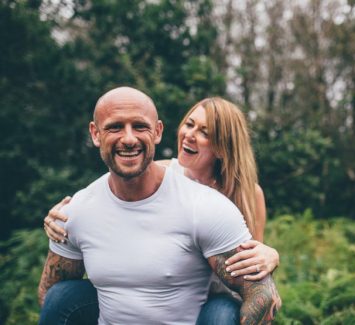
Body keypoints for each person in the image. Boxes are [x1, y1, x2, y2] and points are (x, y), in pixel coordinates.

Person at [37, 87, 280, 324]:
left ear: (222, 146)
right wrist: (59, 217)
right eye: (189, 124)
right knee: (62, 296)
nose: (190, 135)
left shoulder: (232, 198)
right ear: (95, 133)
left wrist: (271, 256)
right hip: (142, 300)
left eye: (205, 132)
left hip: (214, 300)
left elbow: (253, 263)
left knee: (221, 313)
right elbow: (132, 173)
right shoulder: (155, 170)